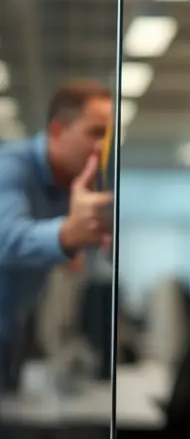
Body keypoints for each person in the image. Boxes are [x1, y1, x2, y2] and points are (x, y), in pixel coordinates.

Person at [0, 80, 113, 392]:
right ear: (57, 131)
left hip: (15, 333)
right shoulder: (11, 166)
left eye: (108, 136)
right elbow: (6, 237)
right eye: (95, 133)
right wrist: (66, 236)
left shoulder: (78, 181)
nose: (102, 147)